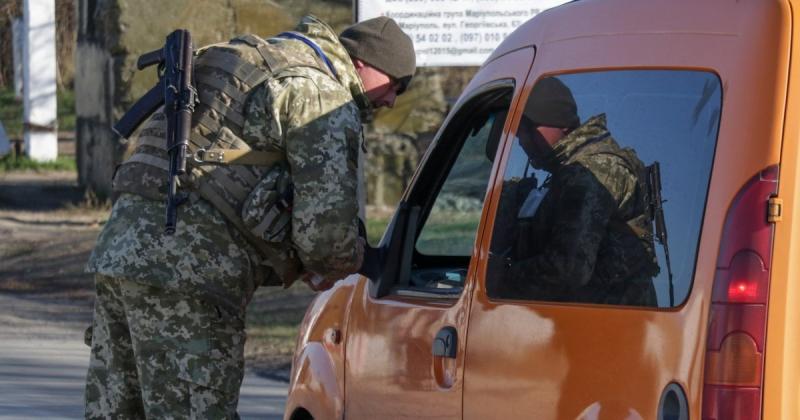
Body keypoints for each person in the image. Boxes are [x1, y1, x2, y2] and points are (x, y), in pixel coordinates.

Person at [83, 15, 415, 419]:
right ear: (364, 63)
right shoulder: (320, 94)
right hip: (189, 275)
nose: (391, 100)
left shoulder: (248, 58)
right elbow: (326, 240)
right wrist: (369, 262)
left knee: (117, 411)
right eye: (395, 84)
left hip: (119, 253)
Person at [504, 76, 659, 306]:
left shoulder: (588, 174)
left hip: (607, 328)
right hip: (600, 323)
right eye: (519, 132)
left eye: (529, 129)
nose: (523, 141)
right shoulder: (570, 169)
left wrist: (499, 278)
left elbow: (568, 270)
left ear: (561, 124)